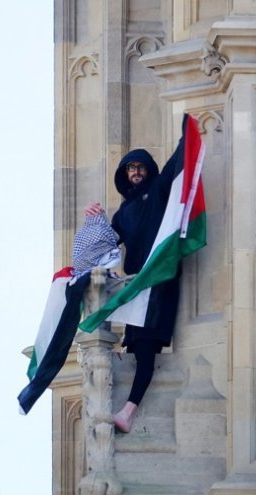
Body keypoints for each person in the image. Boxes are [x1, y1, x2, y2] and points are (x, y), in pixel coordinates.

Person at [85, 148, 182, 433]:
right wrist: (96, 219)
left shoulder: (159, 192)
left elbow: (174, 166)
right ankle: (126, 412)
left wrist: (188, 129)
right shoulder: (123, 212)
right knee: (136, 344)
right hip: (137, 285)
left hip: (160, 279)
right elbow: (105, 244)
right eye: (130, 168)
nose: (136, 172)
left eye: (140, 167)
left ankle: (128, 411)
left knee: (146, 346)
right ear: (124, 174)